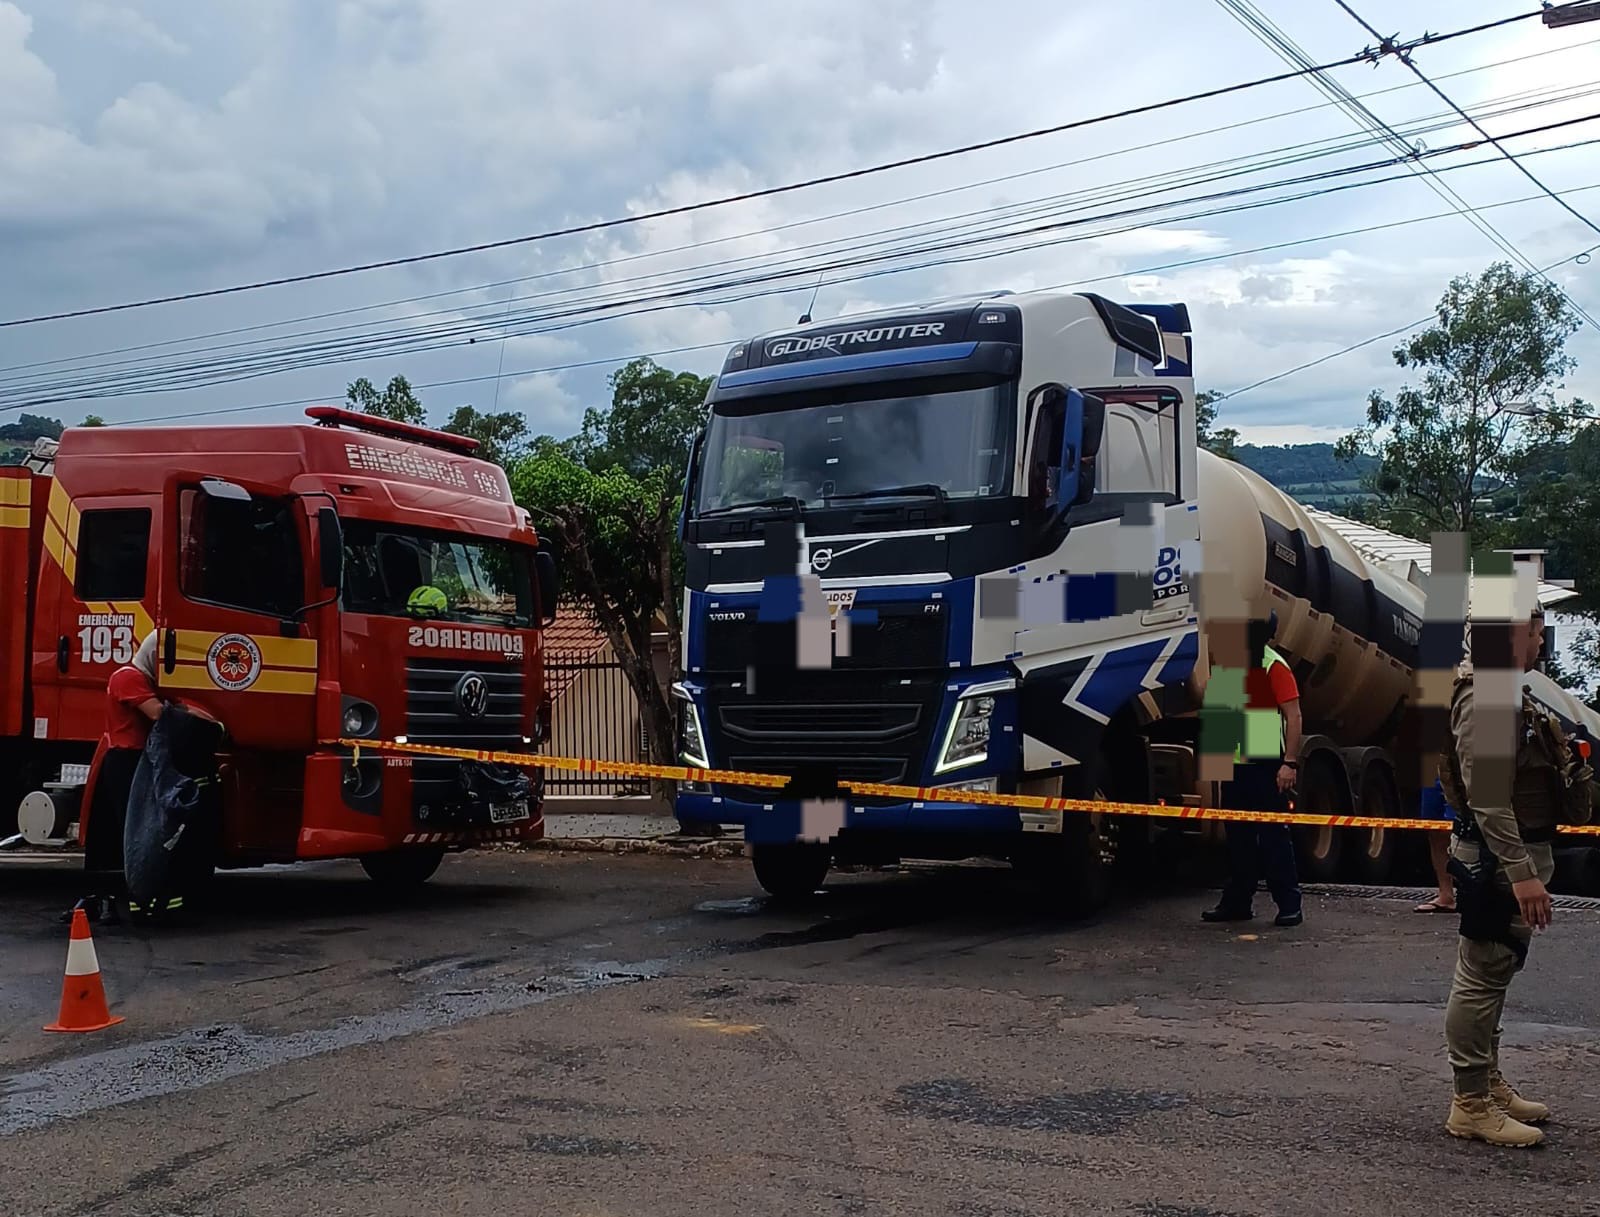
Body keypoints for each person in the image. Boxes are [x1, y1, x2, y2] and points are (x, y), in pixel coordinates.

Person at [1439, 600, 1592, 1146]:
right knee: (1481, 975)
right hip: (1501, 861)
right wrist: (1524, 876)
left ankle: (1488, 1082)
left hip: (1514, 856)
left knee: (1496, 972)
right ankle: (1470, 1103)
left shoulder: (1505, 689)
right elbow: (1489, 802)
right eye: (1536, 629)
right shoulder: (1486, 698)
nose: (1543, 639)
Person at [1203, 611, 1304, 927]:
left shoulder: (1273, 665)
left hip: (1264, 762)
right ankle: (1237, 903)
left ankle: (1289, 905)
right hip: (1235, 766)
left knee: (1273, 837)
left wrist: (1289, 763)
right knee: (1238, 841)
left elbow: (1294, 715)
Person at [67, 632, 165, 924]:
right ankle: (121, 896)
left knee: (121, 827)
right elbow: (158, 713)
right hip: (125, 759)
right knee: (128, 826)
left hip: (131, 759)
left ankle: (114, 895)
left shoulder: (136, 678)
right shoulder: (128, 677)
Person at [1414, 777, 1457, 914]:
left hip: (1475, 760)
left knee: (1478, 827)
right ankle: (1446, 896)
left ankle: (1482, 896)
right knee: (1434, 827)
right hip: (1435, 761)